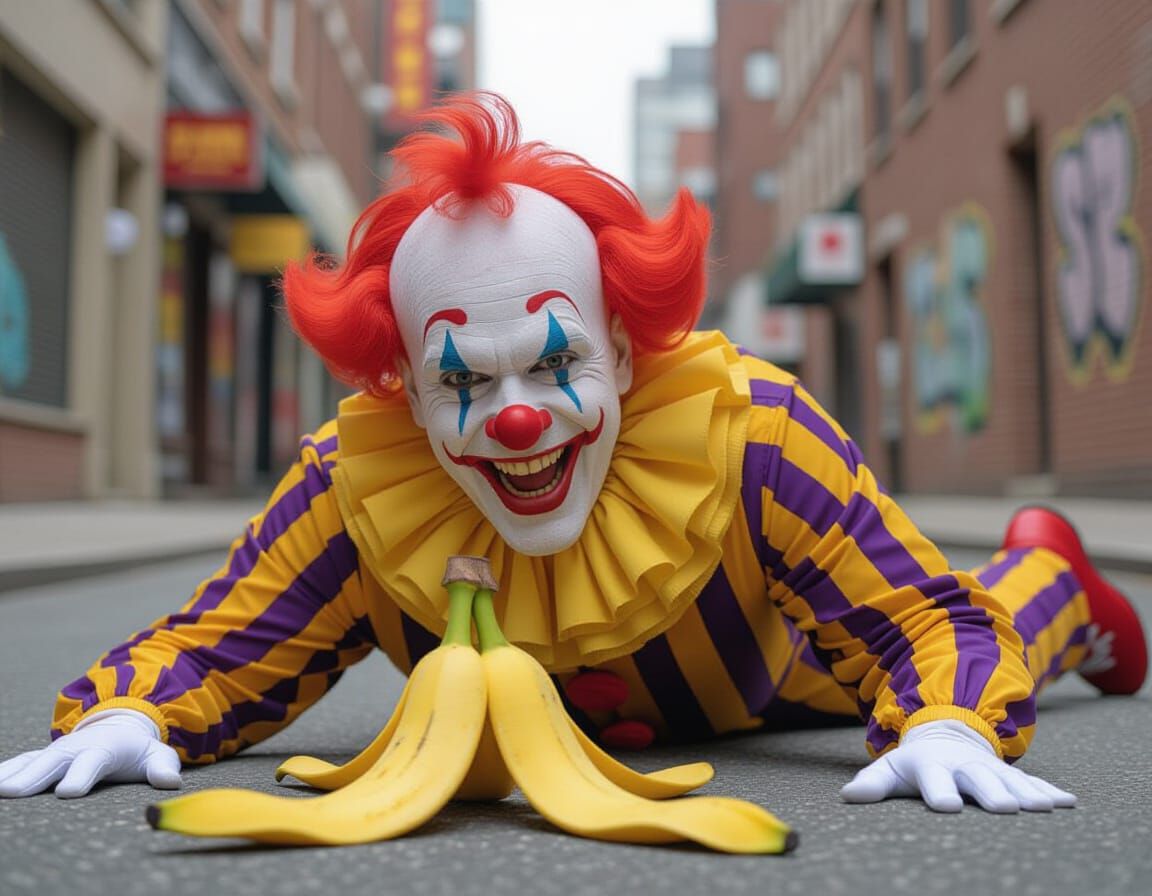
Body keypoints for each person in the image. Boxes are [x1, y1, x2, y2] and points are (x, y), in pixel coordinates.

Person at [0, 94, 1145, 813]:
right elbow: (223, 643)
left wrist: (944, 720)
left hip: (785, 680)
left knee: (995, 620)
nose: (516, 418)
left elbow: (917, 619)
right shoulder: (360, 488)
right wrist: (133, 711)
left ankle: (1057, 575)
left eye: (556, 364)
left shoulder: (752, 439)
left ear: (628, 354)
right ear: (402, 385)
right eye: (463, 380)